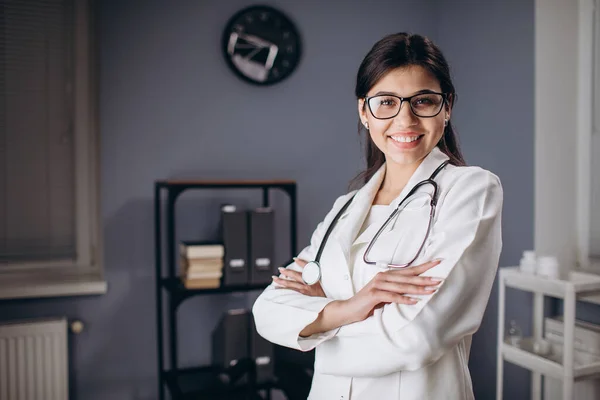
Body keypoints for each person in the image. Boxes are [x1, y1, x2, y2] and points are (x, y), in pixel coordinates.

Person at [252, 32, 503, 400]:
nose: (405, 119)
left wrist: (317, 328)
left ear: (446, 107)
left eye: (423, 101)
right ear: (364, 111)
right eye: (386, 101)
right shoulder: (346, 208)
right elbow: (268, 310)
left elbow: (417, 337)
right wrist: (351, 308)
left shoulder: (472, 190)